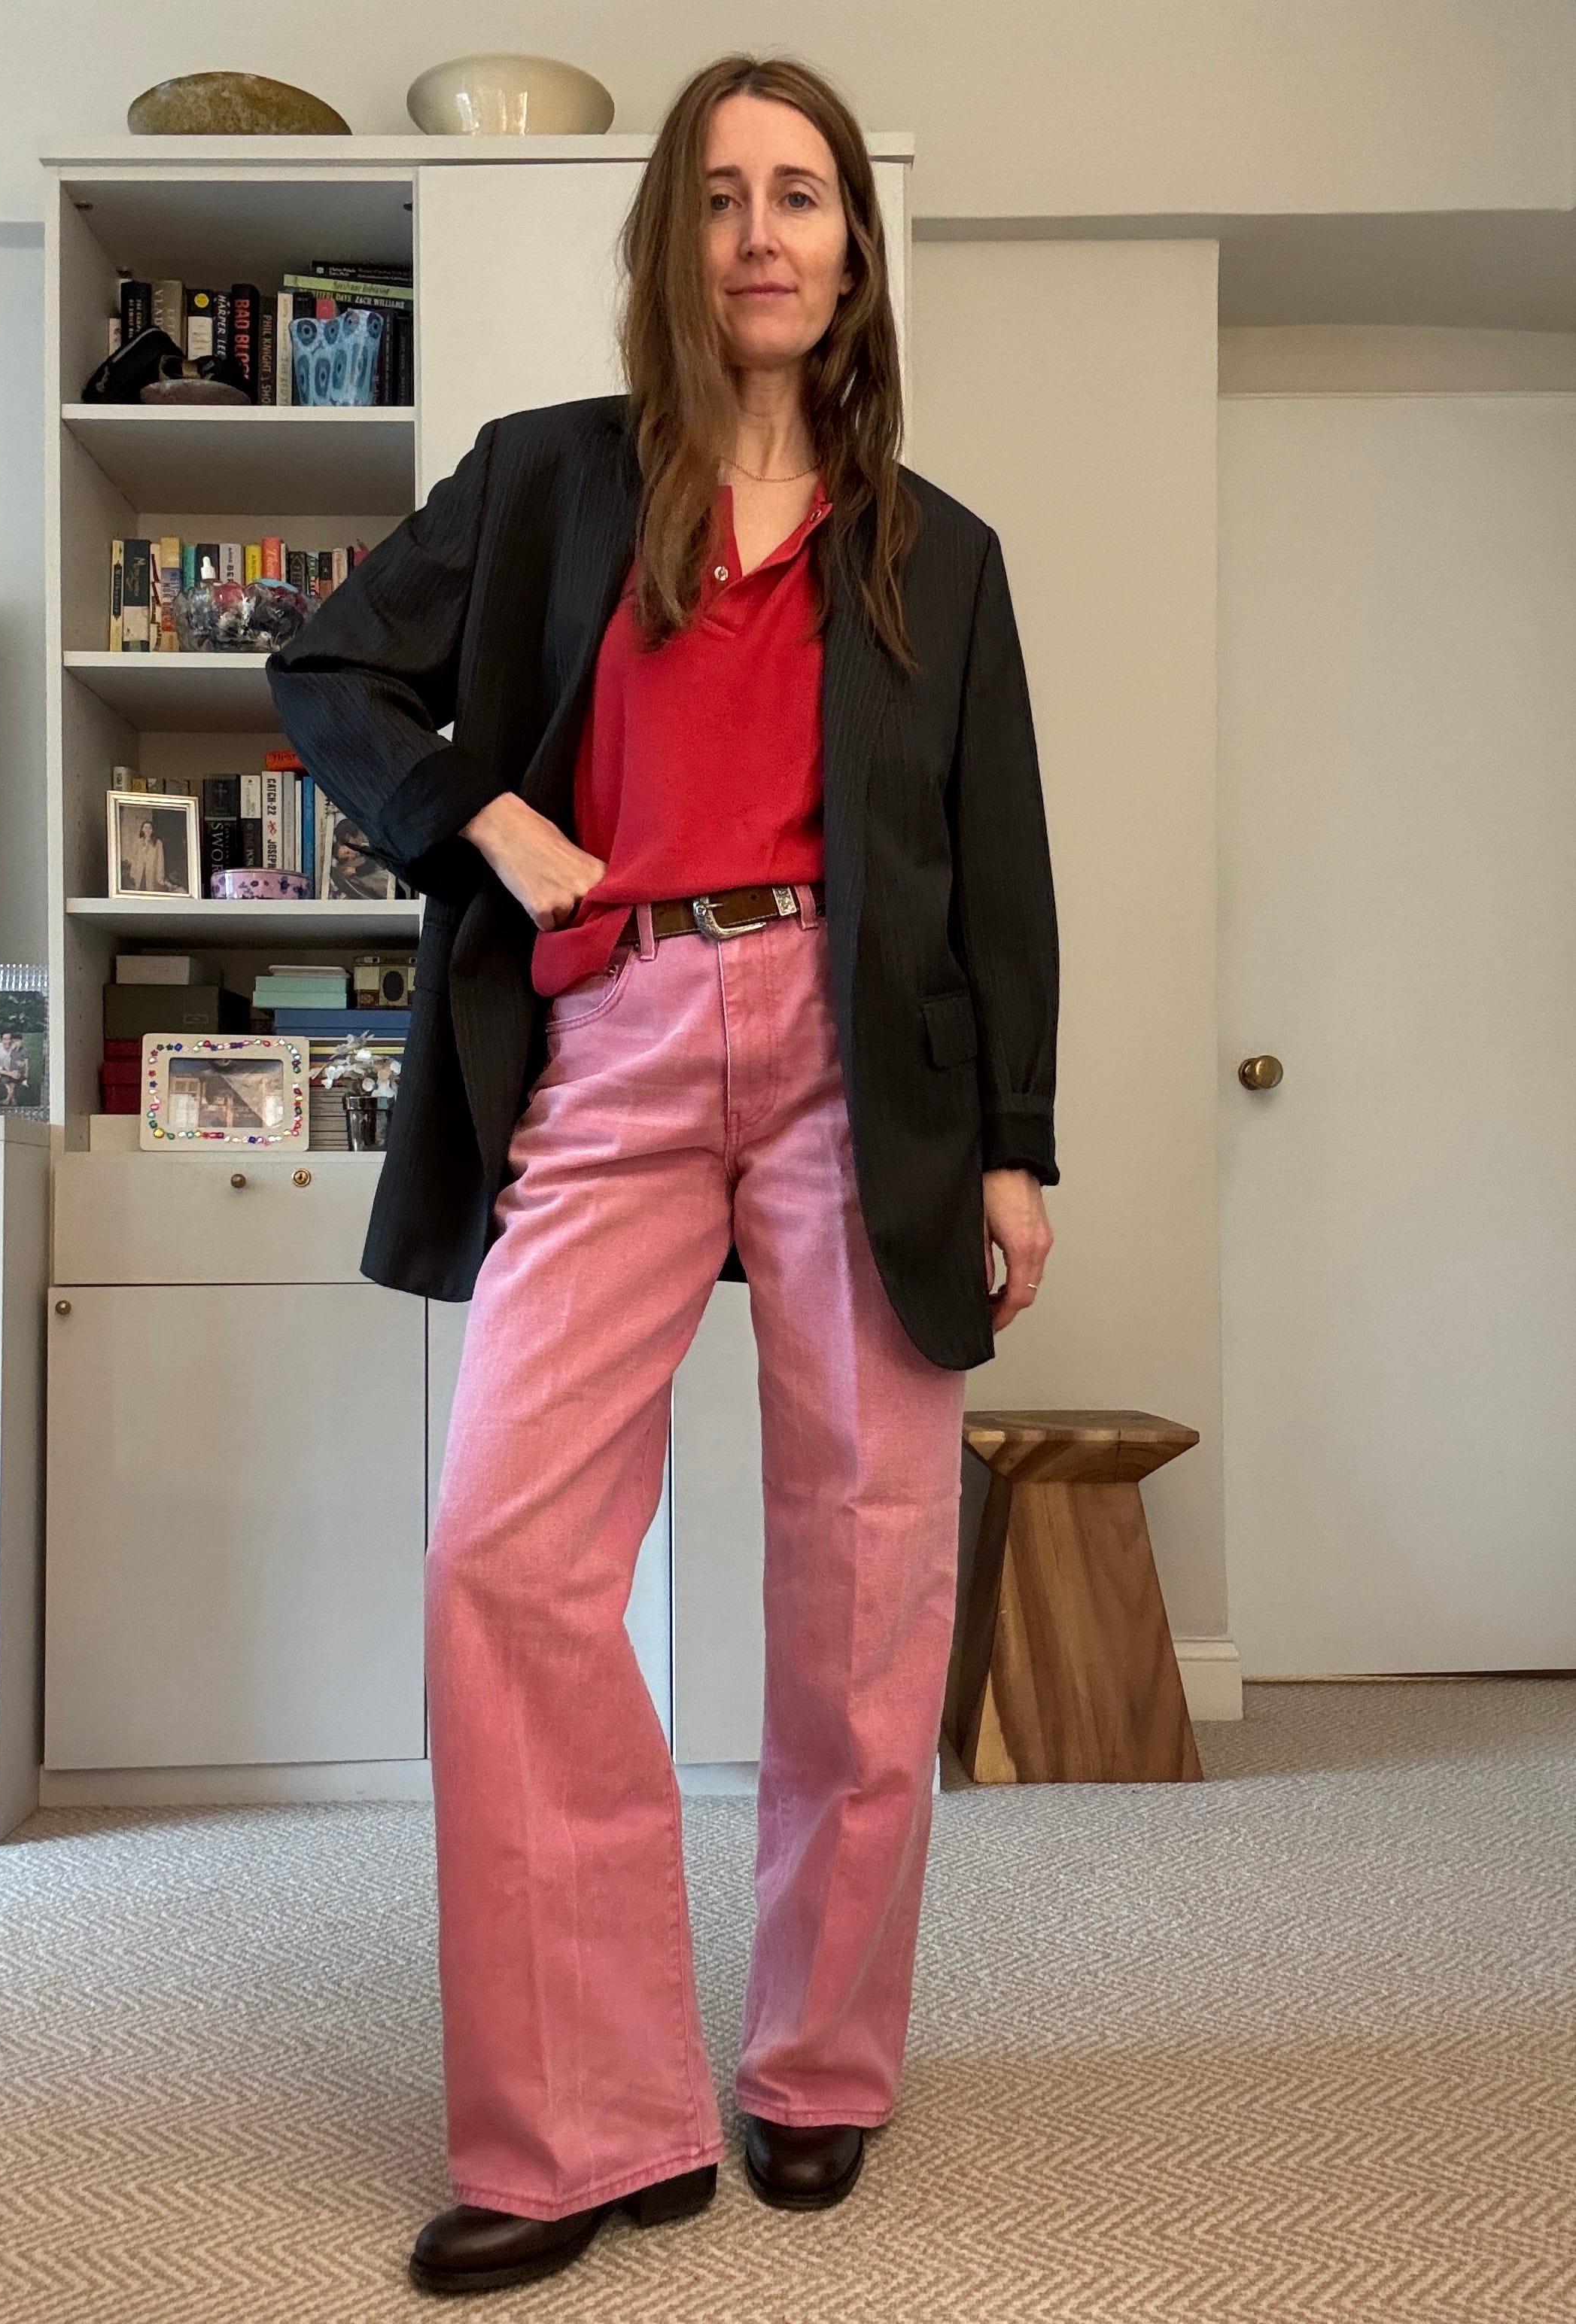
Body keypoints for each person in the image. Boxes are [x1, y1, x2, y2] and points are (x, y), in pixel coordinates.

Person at [267, 50, 1059, 2299]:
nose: (760, 233)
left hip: (859, 1064)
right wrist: (489, 822)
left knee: (866, 1586)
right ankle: (579, 2123)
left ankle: (818, 2063)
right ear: (672, 242)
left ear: (851, 247)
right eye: (718, 195)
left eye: (799, 193)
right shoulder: (546, 480)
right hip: (613, 1034)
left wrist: (1017, 1146)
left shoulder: (941, 555)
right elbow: (325, 670)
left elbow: (998, 865)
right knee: (504, 1557)